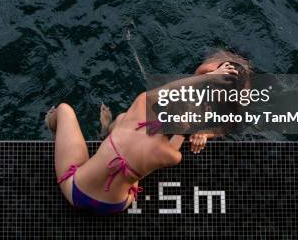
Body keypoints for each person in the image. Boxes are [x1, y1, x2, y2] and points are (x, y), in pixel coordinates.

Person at [45, 50, 251, 214]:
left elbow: (171, 89)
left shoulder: (140, 106)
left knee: (66, 111)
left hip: (77, 192)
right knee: (138, 152)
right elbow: (188, 130)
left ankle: (66, 124)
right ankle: (111, 133)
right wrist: (201, 130)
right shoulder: (172, 155)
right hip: (117, 205)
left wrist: (209, 78)